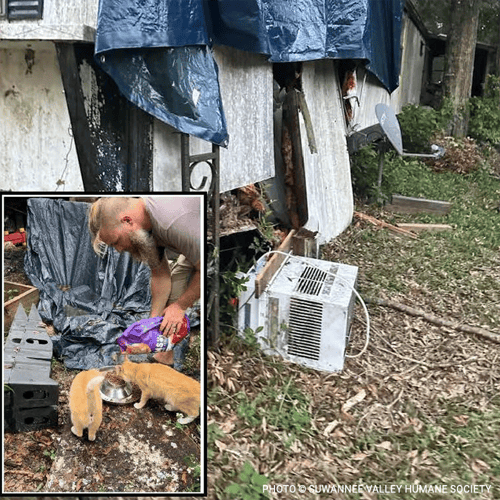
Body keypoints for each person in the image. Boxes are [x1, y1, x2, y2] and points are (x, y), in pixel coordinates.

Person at [88, 196, 201, 370]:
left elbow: (208, 268)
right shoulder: (145, 231)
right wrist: (151, 325)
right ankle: (164, 356)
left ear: (127, 221)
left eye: (116, 242)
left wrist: (180, 306)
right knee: (174, 291)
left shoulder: (171, 223)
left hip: (208, 236)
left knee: (181, 302)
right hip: (193, 240)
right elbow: (160, 275)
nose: (118, 250)